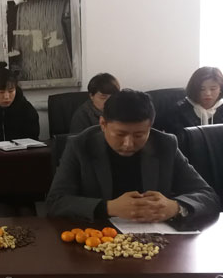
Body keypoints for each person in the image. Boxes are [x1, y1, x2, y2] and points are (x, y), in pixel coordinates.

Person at [46, 89, 220, 230]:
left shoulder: (165, 145)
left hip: (155, 242)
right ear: (103, 124)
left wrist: (175, 207)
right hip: (97, 239)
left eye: (139, 135)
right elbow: (55, 202)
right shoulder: (80, 145)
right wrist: (108, 207)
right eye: (120, 134)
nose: (128, 144)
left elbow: (208, 196)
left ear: (150, 127)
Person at [168, 66, 223, 137]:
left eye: (213, 89)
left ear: (220, 89)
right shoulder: (179, 111)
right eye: (202, 89)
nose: (208, 93)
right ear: (194, 89)